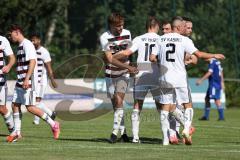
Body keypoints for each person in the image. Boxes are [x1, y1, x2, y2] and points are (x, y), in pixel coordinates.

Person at [150, 16, 225, 145]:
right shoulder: (184, 40)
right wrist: (214, 55)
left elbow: (152, 58)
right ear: (178, 27)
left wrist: (162, 62)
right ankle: (186, 129)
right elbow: (199, 55)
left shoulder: (160, 39)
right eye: (184, 26)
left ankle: (165, 140)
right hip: (180, 78)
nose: (186, 28)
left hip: (164, 78)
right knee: (187, 105)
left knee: (165, 108)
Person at [6, 24, 60, 142]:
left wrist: (27, 79)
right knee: (15, 105)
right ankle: (17, 133)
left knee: (30, 107)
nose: (10, 37)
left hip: (28, 81)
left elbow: (33, 62)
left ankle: (54, 124)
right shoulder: (20, 46)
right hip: (20, 81)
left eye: (10, 35)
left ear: (17, 32)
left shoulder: (27, 44)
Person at [112, 16, 161, 143]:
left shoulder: (139, 38)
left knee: (137, 105)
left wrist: (112, 57)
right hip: (155, 74)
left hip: (140, 75)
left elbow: (127, 53)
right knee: (161, 106)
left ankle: (135, 137)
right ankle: (167, 136)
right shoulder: (160, 39)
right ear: (155, 26)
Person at [100, 13, 136, 143]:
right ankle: (124, 133)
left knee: (119, 99)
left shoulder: (128, 33)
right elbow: (109, 59)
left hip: (124, 73)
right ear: (111, 25)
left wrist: (130, 67)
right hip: (110, 73)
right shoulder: (104, 37)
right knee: (116, 104)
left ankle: (114, 133)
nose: (121, 28)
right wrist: (123, 62)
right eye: (118, 26)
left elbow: (128, 53)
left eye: (122, 25)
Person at [30, 34, 57, 125]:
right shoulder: (31, 51)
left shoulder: (44, 52)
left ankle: (48, 114)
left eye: (34, 40)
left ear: (39, 40)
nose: (32, 42)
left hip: (41, 81)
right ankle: (49, 114)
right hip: (33, 80)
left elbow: (49, 67)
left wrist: (52, 80)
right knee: (35, 101)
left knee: (36, 102)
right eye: (31, 40)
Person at [0, 35, 15, 133]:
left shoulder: (2, 40)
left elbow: (12, 58)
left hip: (0, 79)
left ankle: (14, 131)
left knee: (2, 108)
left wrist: (8, 66)